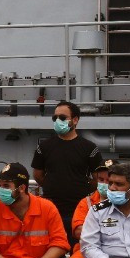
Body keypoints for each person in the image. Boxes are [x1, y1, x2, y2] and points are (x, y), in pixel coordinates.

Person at [31, 100, 104, 243]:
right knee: (50, 245)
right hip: (51, 208)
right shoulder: (44, 147)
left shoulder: (89, 148)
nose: (58, 121)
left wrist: (80, 186)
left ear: (75, 120)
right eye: (55, 118)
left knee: (76, 247)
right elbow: (38, 175)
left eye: (63, 118)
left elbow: (98, 178)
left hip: (78, 209)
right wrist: (53, 184)